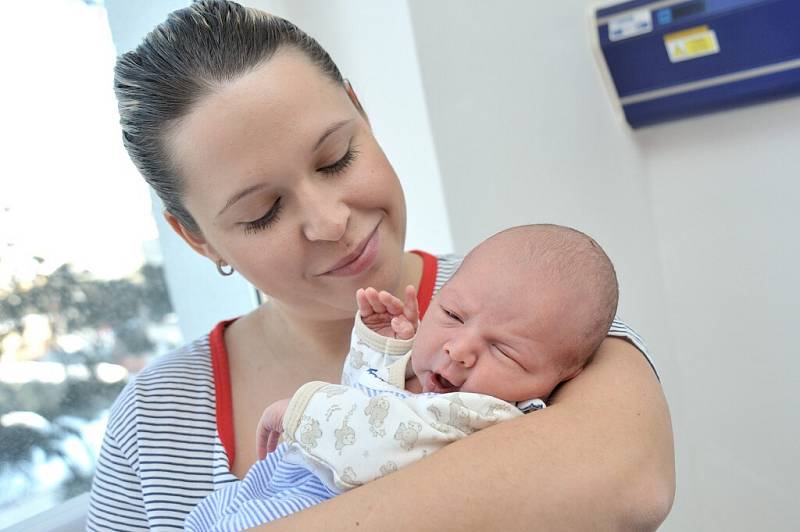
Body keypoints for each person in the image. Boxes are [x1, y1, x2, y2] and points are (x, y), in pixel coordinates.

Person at [87, 1, 675, 530]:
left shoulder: (541, 311)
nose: (330, 222)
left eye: (337, 158)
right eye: (263, 211)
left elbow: (631, 483)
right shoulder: (152, 423)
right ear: (196, 239)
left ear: (361, 112)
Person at [185, 224, 622, 531]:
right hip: (291, 486)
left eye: (504, 350)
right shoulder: (435, 383)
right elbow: (367, 397)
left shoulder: (491, 416)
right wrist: (382, 350)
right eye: (452, 314)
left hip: (318, 501)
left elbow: (379, 440)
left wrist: (304, 409)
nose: (459, 349)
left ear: (565, 375)